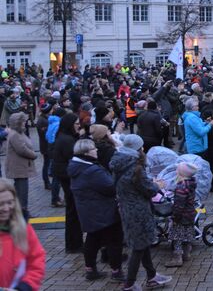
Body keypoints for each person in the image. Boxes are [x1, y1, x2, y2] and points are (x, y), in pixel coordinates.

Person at [109, 134, 172, 291]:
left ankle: (152, 276)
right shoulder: (135, 168)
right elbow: (149, 190)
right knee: (138, 247)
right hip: (138, 211)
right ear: (138, 149)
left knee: (142, 244)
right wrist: (157, 184)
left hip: (126, 208)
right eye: (141, 147)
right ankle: (129, 284)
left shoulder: (118, 162)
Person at [68, 139, 125, 281]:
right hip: (103, 210)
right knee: (114, 240)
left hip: (88, 210)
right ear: (86, 152)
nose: (96, 150)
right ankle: (116, 271)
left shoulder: (76, 167)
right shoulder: (92, 170)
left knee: (93, 239)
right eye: (93, 149)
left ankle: (91, 269)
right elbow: (110, 187)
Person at [0, 179, 46, 291]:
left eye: (10, 202)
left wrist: (25, 286)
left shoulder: (24, 229)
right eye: (1, 204)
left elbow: (37, 260)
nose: (6, 208)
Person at [52, 112, 84, 252]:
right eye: (77, 124)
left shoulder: (64, 137)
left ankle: (74, 243)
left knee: (72, 211)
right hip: (68, 177)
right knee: (73, 211)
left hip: (65, 176)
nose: (79, 126)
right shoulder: (66, 140)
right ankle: (74, 244)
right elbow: (73, 158)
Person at [5, 112, 38, 220]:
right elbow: (22, 149)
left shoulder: (19, 133)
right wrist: (34, 155)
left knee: (21, 190)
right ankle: (22, 212)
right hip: (18, 168)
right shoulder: (15, 134)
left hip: (21, 167)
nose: (25, 123)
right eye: (23, 121)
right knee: (21, 192)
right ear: (17, 123)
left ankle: (21, 211)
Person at [165, 162, 198, 268]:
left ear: (182, 173)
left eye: (177, 170)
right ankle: (187, 253)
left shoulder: (181, 186)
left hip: (182, 215)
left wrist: (175, 216)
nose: (176, 172)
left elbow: (179, 204)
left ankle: (177, 257)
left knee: (177, 236)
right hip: (190, 213)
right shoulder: (191, 183)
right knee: (187, 233)